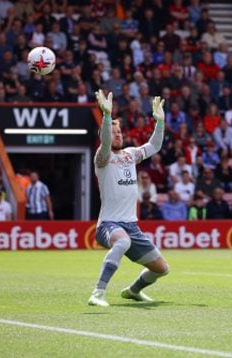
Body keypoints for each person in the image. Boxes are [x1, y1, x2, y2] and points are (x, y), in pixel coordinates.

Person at [88, 90, 170, 307]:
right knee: (122, 241)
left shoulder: (130, 155)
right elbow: (105, 142)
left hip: (131, 225)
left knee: (162, 269)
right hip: (109, 223)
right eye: (113, 132)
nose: (118, 135)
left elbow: (154, 146)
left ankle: (133, 291)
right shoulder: (102, 158)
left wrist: (160, 123)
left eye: (119, 131)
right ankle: (98, 292)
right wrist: (106, 116)